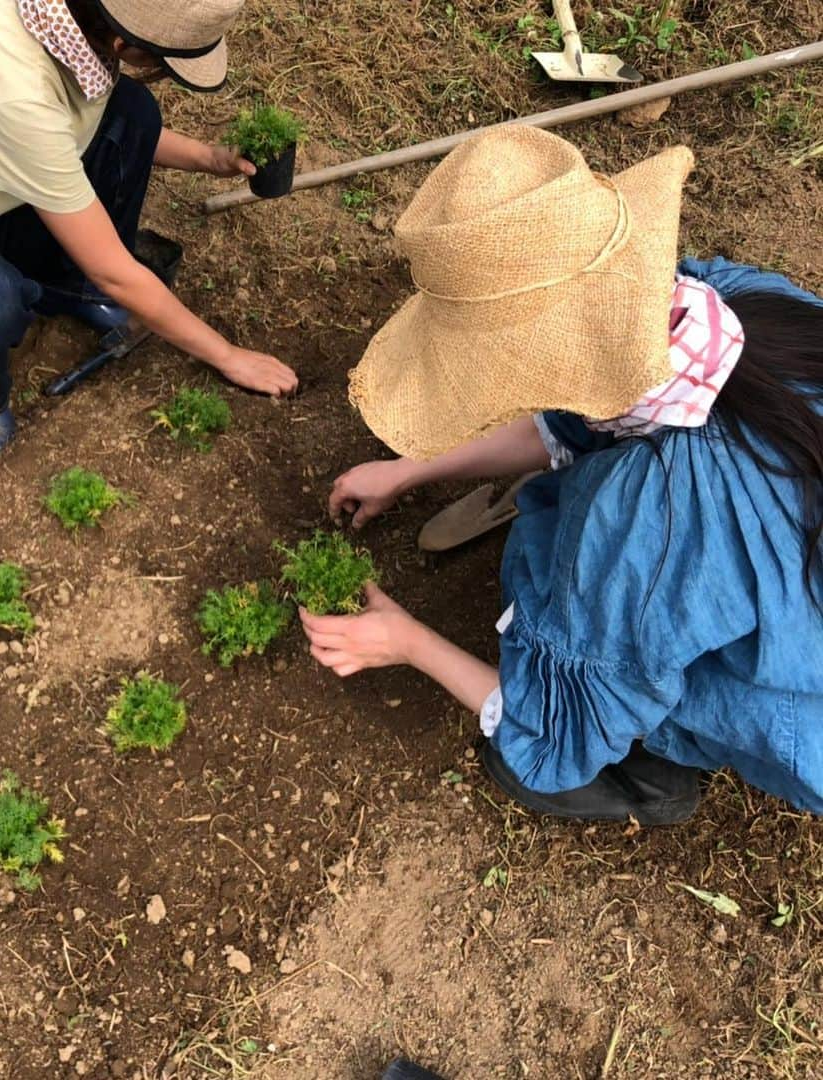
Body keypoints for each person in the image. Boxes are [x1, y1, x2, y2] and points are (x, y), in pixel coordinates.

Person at [299, 125, 823, 824]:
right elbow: (580, 415)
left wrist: (405, 642)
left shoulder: (651, 522)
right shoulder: (729, 302)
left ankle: (649, 777)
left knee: (533, 752)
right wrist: (407, 471)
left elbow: (548, 724)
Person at [0, 0, 298, 453]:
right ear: (123, 42)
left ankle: (66, 285)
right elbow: (114, 270)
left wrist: (208, 158)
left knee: (133, 112)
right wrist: (228, 356)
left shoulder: (67, 18)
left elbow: (77, 124)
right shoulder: (8, 78)